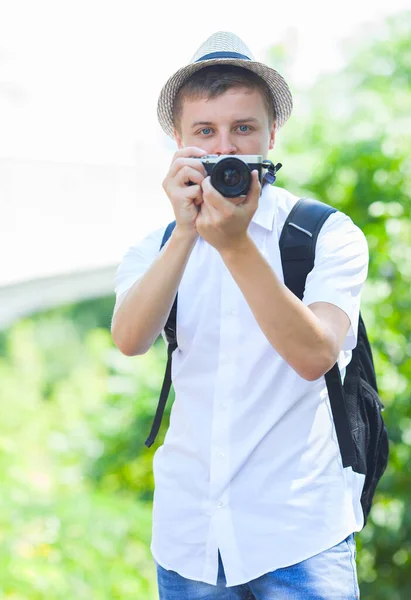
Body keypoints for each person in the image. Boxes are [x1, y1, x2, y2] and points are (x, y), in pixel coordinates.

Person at [111, 31, 367, 600]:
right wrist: (186, 231)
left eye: (242, 129)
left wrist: (234, 245)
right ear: (178, 141)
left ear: (271, 135)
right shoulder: (153, 247)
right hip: (189, 539)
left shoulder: (324, 234)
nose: (225, 147)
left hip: (300, 534)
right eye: (206, 132)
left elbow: (314, 355)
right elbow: (129, 339)